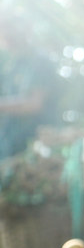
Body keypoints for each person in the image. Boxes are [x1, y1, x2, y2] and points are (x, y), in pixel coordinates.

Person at [0, 16, 60, 161]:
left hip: (36, 148)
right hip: (9, 149)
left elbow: (34, 104)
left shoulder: (39, 61)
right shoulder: (12, 67)